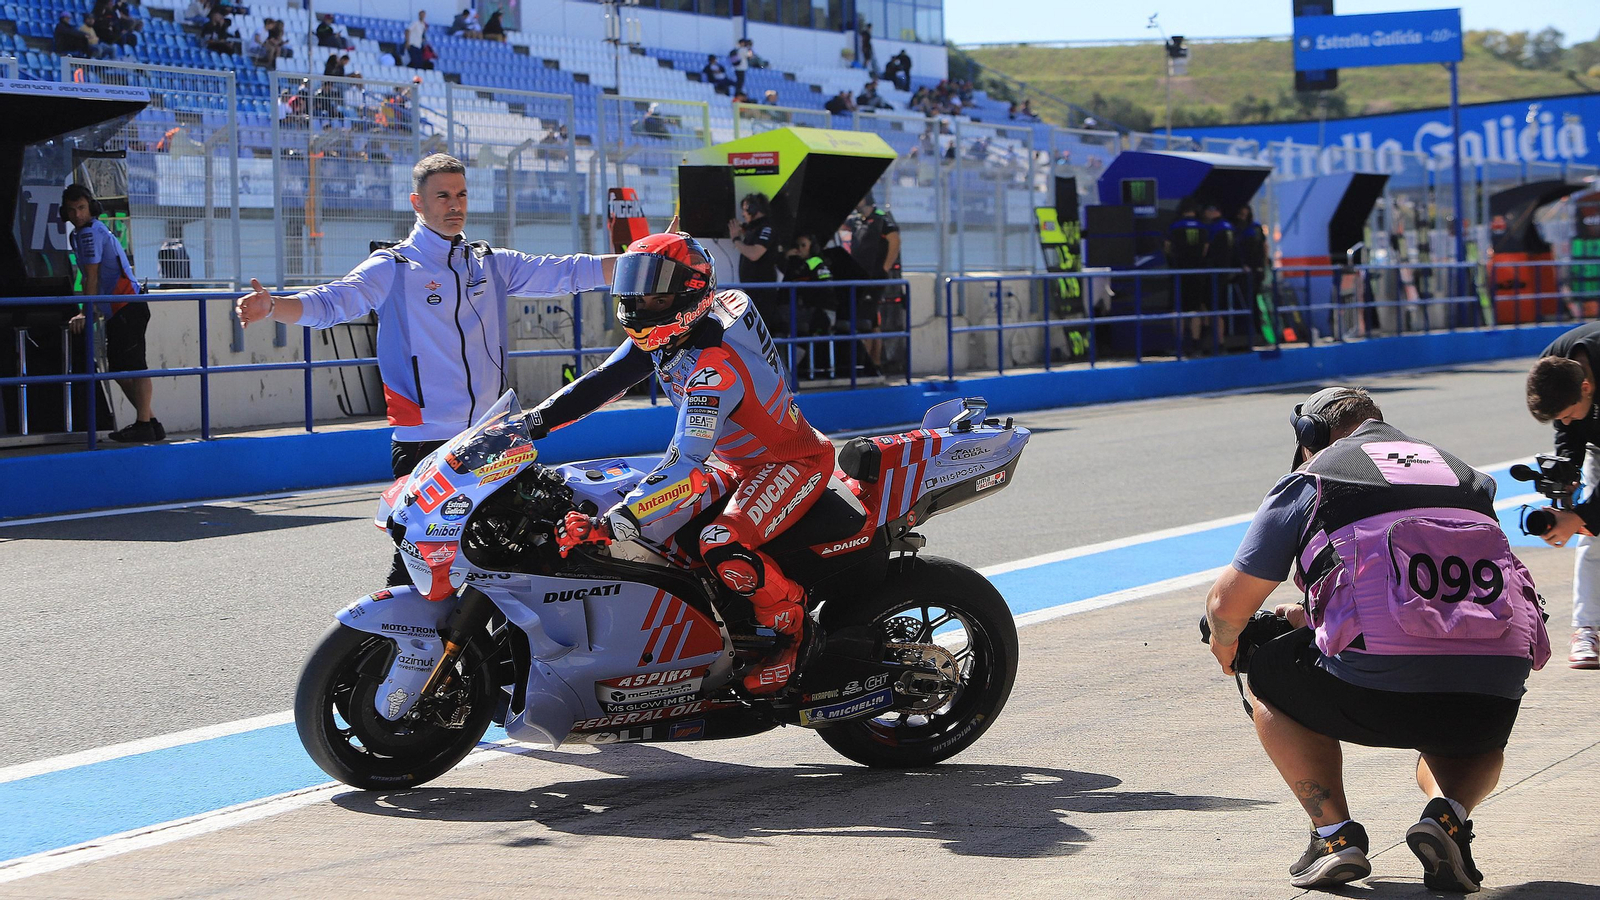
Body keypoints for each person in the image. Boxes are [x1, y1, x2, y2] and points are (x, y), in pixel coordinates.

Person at [1206, 386, 1550, 892]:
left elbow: (1225, 607)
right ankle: (1448, 815)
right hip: (1489, 699)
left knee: (1264, 667)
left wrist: (1227, 647)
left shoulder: (1318, 475)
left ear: (1311, 436)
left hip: (1370, 692)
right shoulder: (1469, 479)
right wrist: (1317, 617)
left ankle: (1333, 837)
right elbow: (1438, 600)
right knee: (1463, 717)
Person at [234, 154, 619, 586]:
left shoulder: (489, 262)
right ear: (417, 203)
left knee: (510, 559)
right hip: (426, 441)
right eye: (442, 196)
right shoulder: (393, 266)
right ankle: (393, 650)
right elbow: (333, 301)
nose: (454, 205)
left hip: (493, 436)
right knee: (420, 570)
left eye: (461, 195)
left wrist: (644, 260)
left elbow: (568, 271)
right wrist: (275, 308)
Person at [530, 229, 836, 695]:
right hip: (732, 461)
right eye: (634, 288)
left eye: (653, 296)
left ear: (689, 294)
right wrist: (528, 424)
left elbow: (685, 458)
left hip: (788, 462)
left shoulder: (712, 365)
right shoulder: (680, 331)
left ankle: (793, 629)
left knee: (719, 540)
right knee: (644, 523)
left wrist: (621, 519)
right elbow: (602, 382)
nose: (637, 303)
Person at [1523, 322, 1600, 668]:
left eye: (1569, 414)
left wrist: (1581, 516)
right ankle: (1588, 629)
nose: (1565, 422)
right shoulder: (1552, 367)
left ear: (1587, 387)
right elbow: (1566, 429)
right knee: (1593, 539)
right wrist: (1567, 476)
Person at [61, 184, 163, 443]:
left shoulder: (90, 233)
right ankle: (150, 422)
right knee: (119, 369)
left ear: (91, 207)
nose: (77, 215)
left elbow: (91, 278)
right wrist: (94, 309)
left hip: (127, 304)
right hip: (120, 307)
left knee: (135, 367)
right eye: (71, 210)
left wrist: (85, 312)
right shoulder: (82, 234)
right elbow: (92, 279)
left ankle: (144, 424)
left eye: (82, 208)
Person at [846, 194, 899, 376]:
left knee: (865, 322)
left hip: (874, 278)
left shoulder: (881, 219)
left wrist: (885, 267)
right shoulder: (857, 220)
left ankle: (867, 365)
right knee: (872, 322)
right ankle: (874, 364)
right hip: (858, 278)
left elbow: (895, 240)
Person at [727, 192, 781, 334]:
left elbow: (755, 254)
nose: (743, 214)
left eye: (745, 210)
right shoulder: (754, 228)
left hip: (762, 290)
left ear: (753, 209)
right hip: (753, 290)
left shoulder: (766, 228)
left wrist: (736, 239)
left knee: (762, 331)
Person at [1164, 197, 1209, 353]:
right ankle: (1196, 345)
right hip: (1196, 273)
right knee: (1195, 309)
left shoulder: (1174, 226)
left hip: (1179, 272)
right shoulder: (1202, 227)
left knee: (1177, 309)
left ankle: (1179, 345)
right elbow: (1205, 249)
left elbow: (1167, 247)